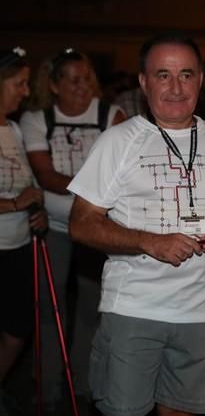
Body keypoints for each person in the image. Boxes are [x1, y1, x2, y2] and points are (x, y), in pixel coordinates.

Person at [67, 33, 205, 416]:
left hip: (202, 314)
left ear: (201, 79)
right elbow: (82, 224)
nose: (176, 87)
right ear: (143, 82)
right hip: (134, 310)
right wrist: (149, 241)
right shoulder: (119, 142)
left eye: (186, 74)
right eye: (162, 75)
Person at [19, 48, 126, 406]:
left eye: (88, 79)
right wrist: (95, 183)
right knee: (50, 309)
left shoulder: (111, 116)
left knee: (91, 309)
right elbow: (45, 175)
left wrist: (92, 187)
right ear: (53, 85)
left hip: (97, 228)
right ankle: (47, 384)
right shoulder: (37, 119)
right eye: (74, 80)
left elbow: (121, 174)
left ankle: (83, 383)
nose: (84, 87)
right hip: (52, 226)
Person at [0, 46, 48, 413]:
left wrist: (36, 210)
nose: (26, 91)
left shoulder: (14, 129)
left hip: (17, 246)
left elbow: (27, 186)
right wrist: (15, 204)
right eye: (18, 84)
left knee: (18, 330)